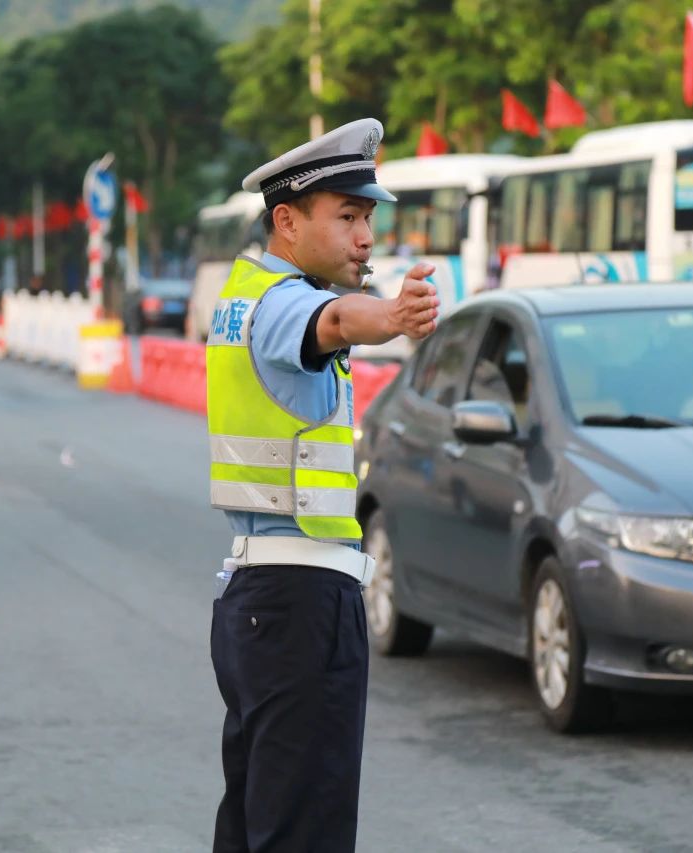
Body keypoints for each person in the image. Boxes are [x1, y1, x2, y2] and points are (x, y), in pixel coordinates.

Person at [207, 117, 438, 853]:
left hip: (261, 604)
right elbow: (337, 320)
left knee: (257, 826)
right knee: (304, 831)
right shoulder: (285, 305)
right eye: (346, 216)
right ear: (287, 220)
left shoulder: (245, 296)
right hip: (300, 606)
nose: (365, 237)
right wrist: (397, 317)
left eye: (367, 216)